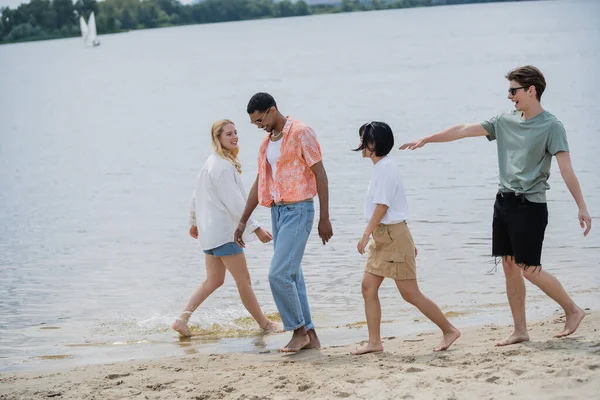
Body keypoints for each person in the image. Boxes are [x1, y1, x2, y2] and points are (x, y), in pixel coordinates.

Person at [400, 65, 592, 346]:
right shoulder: (505, 120)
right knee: (509, 266)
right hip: (503, 202)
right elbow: (464, 130)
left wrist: (582, 207)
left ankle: (573, 310)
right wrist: (428, 139)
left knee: (529, 268)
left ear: (531, 90)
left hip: (530, 205)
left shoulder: (552, 126)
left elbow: (566, 169)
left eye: (513, 90)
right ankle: (520, 330)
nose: (509, 96)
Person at [234, 93, 333, 352]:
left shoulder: (301, 132)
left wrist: (325, 217)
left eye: (260, 120)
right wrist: (243, 220)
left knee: (278, 275)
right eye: (254, 124)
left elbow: (320, 175)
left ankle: (298, 331)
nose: (259, 126)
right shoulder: (267, 144)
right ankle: (310, 336)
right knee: (292, 275)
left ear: (271, 110)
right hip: (277, 213)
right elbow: (260, 183)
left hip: (299, 210)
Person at [351, 122, 461, 355]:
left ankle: (449, 329)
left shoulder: (387, 167)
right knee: (368, 287)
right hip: (385, 236)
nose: (359, 144)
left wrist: (365, 235)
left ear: (373, 143)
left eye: (363, 139)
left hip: (391, 236)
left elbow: (383, 206)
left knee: (409, 292)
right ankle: (374, 342)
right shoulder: (380, 167)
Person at [172, 119, 282, 337]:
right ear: (218, 138)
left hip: (210, 233)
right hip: (224, 233)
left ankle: (181, 319)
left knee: (214, 280)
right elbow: (235, 203)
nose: (234, 137)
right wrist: (256, 228)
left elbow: (196, 195)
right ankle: (265, 325)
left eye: (235, 133)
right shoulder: (221, 166)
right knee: (244, 281)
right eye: (228, 134)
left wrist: (194, 223)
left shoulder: (211, 162)